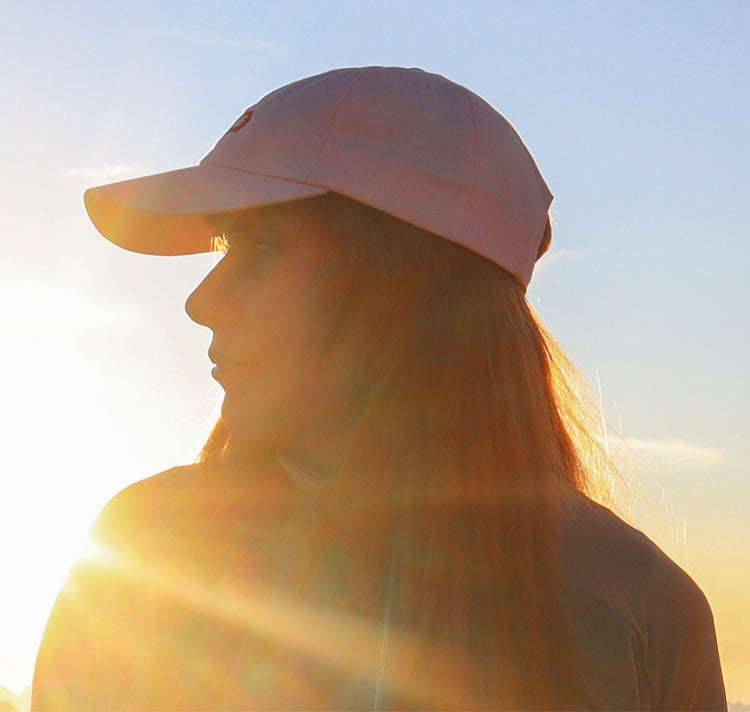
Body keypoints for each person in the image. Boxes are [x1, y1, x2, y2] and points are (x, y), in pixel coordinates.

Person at [31, 67, 726, 711]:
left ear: (409, 282)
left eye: (261, 247)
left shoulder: (643, 609)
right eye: (225, 247)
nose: (202, 302)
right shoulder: (144, 554)